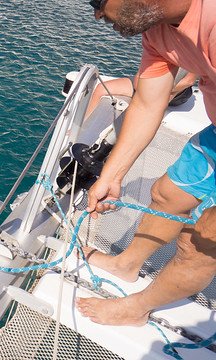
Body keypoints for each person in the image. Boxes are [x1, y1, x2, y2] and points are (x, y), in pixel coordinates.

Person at [74, 0, 216, 327]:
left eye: (98, 1)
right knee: (168, 194)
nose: (96, 14)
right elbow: (149, 102)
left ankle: (137, 308)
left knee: (201, 239)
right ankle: (127, 264)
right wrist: (112, 175)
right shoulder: (158, 33)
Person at [84, 69, 197, 119]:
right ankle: (81, 127)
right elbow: (139, 78)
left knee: (149, 109)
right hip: (151, 83)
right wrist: (147, 88)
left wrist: (160, 89)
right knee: (101, 88)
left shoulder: (195, 43)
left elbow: (189, 81)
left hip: (177, 90)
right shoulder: (157, 37)